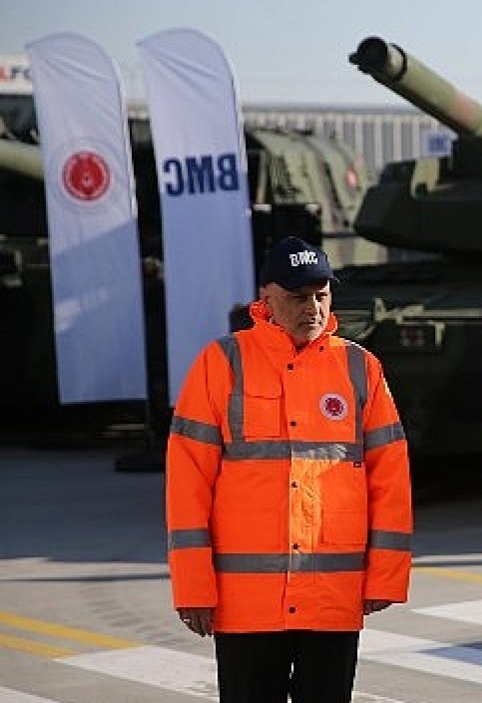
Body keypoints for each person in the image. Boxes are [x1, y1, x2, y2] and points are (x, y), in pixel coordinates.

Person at [165, 236, 413, 703]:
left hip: (331, 598)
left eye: (321, 295)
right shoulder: (221, 363)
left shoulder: (360, 367)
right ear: (266, 297)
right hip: (247, 604)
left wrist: (385, 576)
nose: (312, 308)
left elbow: (391, 480)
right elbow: (187, 483)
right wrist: (193, 585)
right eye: (298, 297)